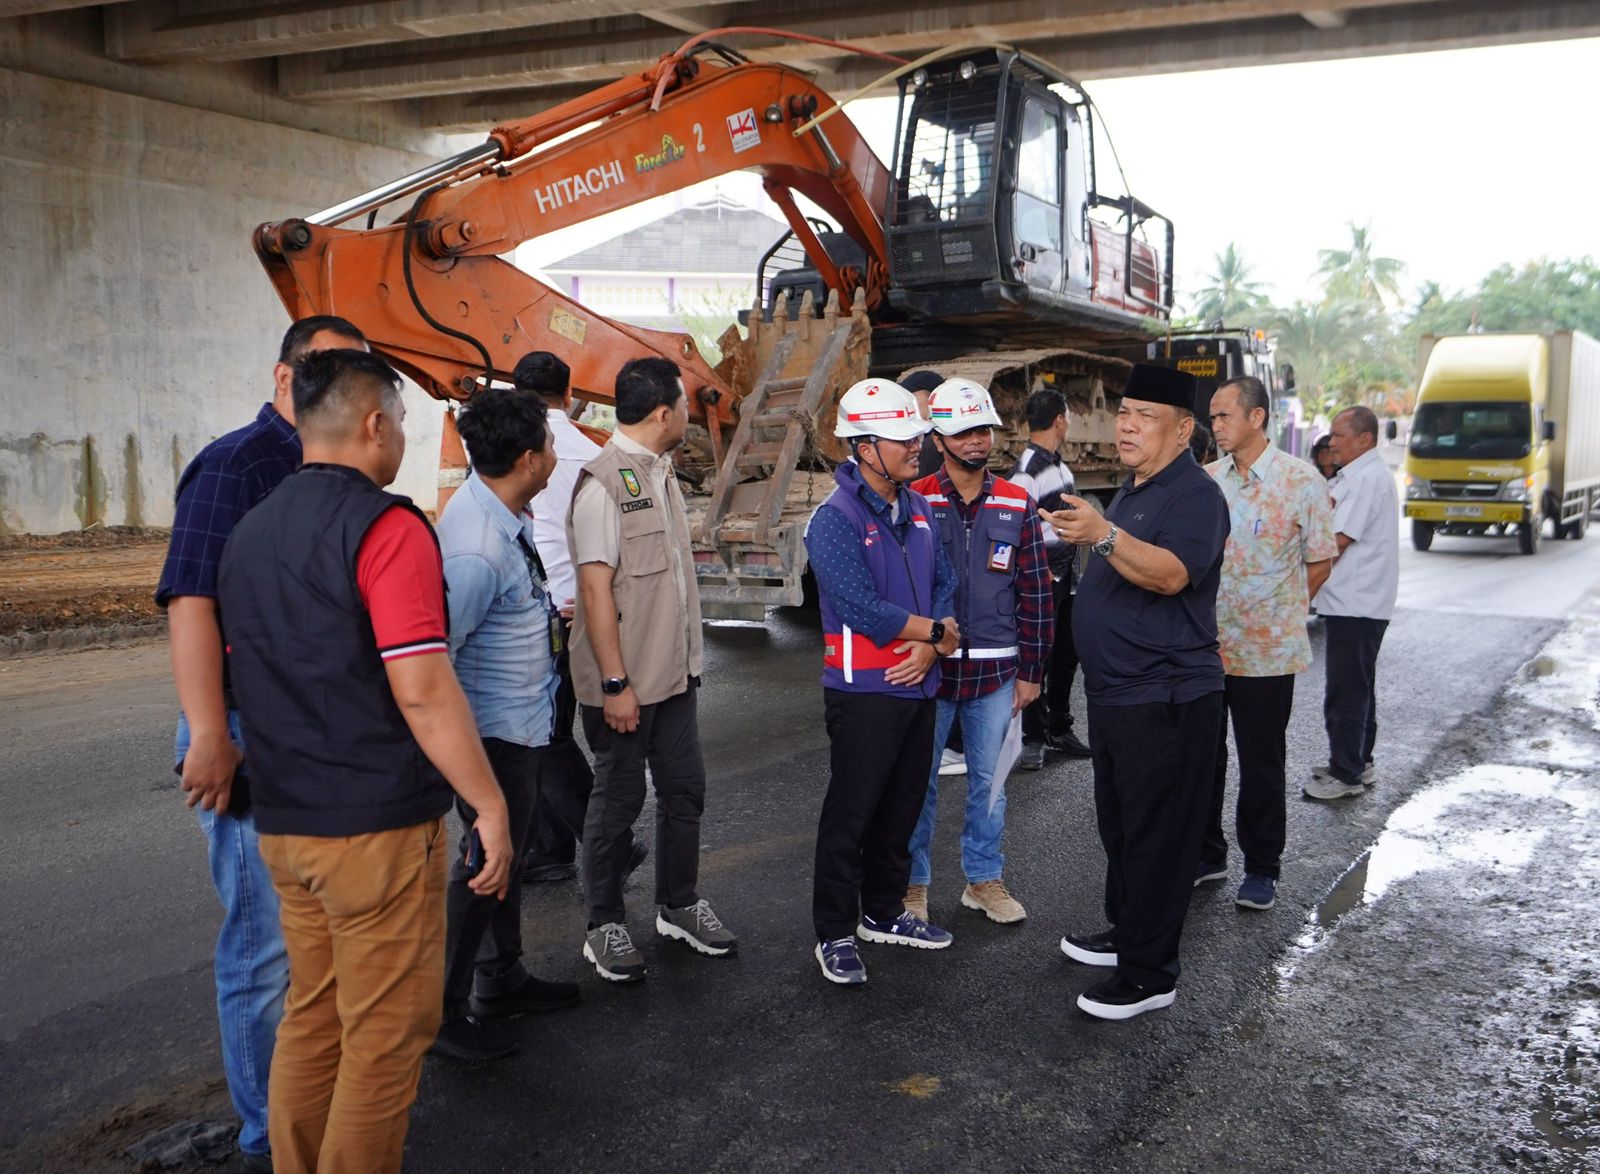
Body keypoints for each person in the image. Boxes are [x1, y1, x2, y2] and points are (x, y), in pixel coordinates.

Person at [217, 349, 514, 1173]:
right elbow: (423, 688)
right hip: (375, 831)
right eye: (403, 421)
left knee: (314, 1018)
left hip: (287, 826)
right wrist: (489, 805)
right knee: (385, 1037)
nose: (403, 438)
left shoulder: (250, 533)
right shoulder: (387, 528)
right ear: (375, 424)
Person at [155, 313, 366, 1173]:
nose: (338, 388)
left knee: (317, 932)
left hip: (307, 730)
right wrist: (210, 732)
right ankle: (264, 1135)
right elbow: (191, 602)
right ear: (283, 378)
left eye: (352, 373)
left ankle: (306, 1107)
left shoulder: (330, 463)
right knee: (262, 941)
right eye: (323, 370)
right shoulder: (236, 466)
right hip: (243, 730)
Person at [1043, 363, 1229, 1021]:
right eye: (1124, 412)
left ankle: (1151, 974)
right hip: (1118, 694)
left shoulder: (1196, 496)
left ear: (1182, 430)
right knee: (1122, 827)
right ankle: (1128, 932)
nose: (1126, 425)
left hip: (1167, 697)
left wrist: (1104, 534)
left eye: (1145, 416)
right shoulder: (1135, 487)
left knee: (1158, 838)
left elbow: (1172, 575)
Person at [567, 356, 736, 982]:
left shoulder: (660, 473)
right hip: (625, 686)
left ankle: (679, 905)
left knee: (684, 791)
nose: (689, 414)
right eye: (685, 405)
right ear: (665, 413)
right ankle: (603, 925)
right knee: (617, 803)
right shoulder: (603, 483)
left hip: (673, 676)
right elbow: (595, 591)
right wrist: (615, 683)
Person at [432, 386, 582, 1063]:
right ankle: (443, 1011)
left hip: (520, 724)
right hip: (491, 736)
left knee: (508, 858)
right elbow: (439, 657)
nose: (554, 454)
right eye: (550, 445)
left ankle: (501, 976)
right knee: (485, 864)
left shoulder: (502, 511)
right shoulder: (475, 547)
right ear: (528, 459)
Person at [804, 378, 960, 985]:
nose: (917, 446)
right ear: (865, 448)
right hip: (864, 692)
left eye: (917, 436)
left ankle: (884, 912)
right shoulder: (833, 519)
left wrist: (931, 647)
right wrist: (936, 634)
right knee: (852, 815)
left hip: (918, 685)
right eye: (903, 439)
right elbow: (860, 608)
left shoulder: (918, 508)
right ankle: (835, 932)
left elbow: (945, 582)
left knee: (902, 808)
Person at [906, 379, 1051, 926]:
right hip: (931, 672)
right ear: (938, 439)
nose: (976, 440)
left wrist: (1032, 671)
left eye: (983, 429)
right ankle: (913, 885)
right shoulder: (916, 499)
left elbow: (1036, 593)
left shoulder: (1017, 500)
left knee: (990, 785)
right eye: (964, 431)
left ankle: (983, 879)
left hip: (997, 674)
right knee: (917, 785)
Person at [1200, 377, 1336, 911]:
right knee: (1204, 759)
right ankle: (1207, 855)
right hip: (1206, 648)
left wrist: (1279, 611)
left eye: (1224, 416)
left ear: (1256, 417)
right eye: (1212, 417)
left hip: (1267, 653)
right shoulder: (1209, 480)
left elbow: (1320, 561)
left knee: (1260, 763)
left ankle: (1262, 867)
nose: (1215, 426)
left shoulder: (1301, 481)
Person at [512, 352, 644, 888]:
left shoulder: (513, 455)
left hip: (538, 610)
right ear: (568, 395)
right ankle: (549, 848)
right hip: (584, 610)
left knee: (543, 736)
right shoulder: (594, 456)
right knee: (551, 730)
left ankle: (611, 845)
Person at [1305, 406, 1400, 800]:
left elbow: (1337, 541)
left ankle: (1345, 774)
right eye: (1331, 435)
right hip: (1356, 602)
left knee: (1345, 692)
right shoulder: (1357, 476)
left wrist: (1300, 588)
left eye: (1339, 436)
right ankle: (1359, 760)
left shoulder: (1366, 479)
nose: (1331, 443)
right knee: (1359, 688)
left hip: (1356, 602)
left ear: (1365, 439)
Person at [1009, 387, 1092, 767]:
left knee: (1066, 656)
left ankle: (1059, 727)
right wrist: (1035, 573)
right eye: (1068, 416)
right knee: (1037, 658)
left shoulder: (1059, 466)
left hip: (1067, 580)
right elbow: (1015, 529)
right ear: (1060, 420)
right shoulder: (1027, 471)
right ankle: (1033, 737)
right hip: (1043, 581)